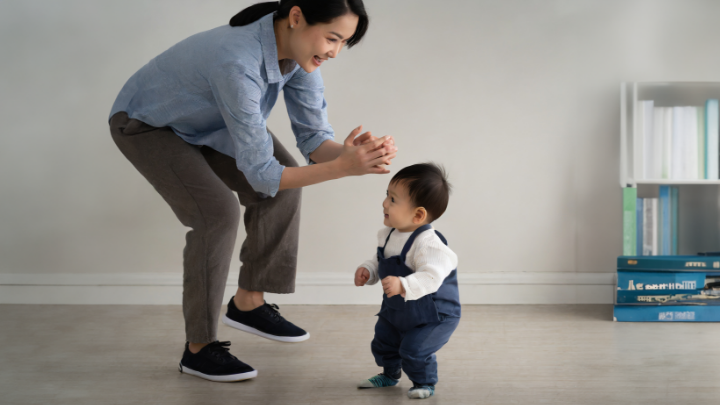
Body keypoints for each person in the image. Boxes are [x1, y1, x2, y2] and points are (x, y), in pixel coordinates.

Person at [108, 0, 397, 382]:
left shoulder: (300, 55)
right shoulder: (237, 62)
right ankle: (198, 349)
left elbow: (313, 139)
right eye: (332, 38)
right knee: (217, 215)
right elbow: (263, 175)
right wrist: (342, 168)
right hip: (149, 124)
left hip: (210, 122)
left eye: (344, 42)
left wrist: (351, 156)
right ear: (296, 17)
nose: (335, 52)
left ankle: (248, 303)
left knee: (285, 188)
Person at [353, 163, 461, 399]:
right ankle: (390, 375)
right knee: (383, 341)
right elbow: (381, 259)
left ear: (418, 215)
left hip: (434, 314)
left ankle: (424, 383)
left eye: (393, 199)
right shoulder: (388, 234)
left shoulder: (429, 245)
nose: (384, 203)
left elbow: (432, 277)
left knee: (414, 349)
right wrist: (369, 270)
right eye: (386, 195)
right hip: (398, 309)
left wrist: (403, 284)